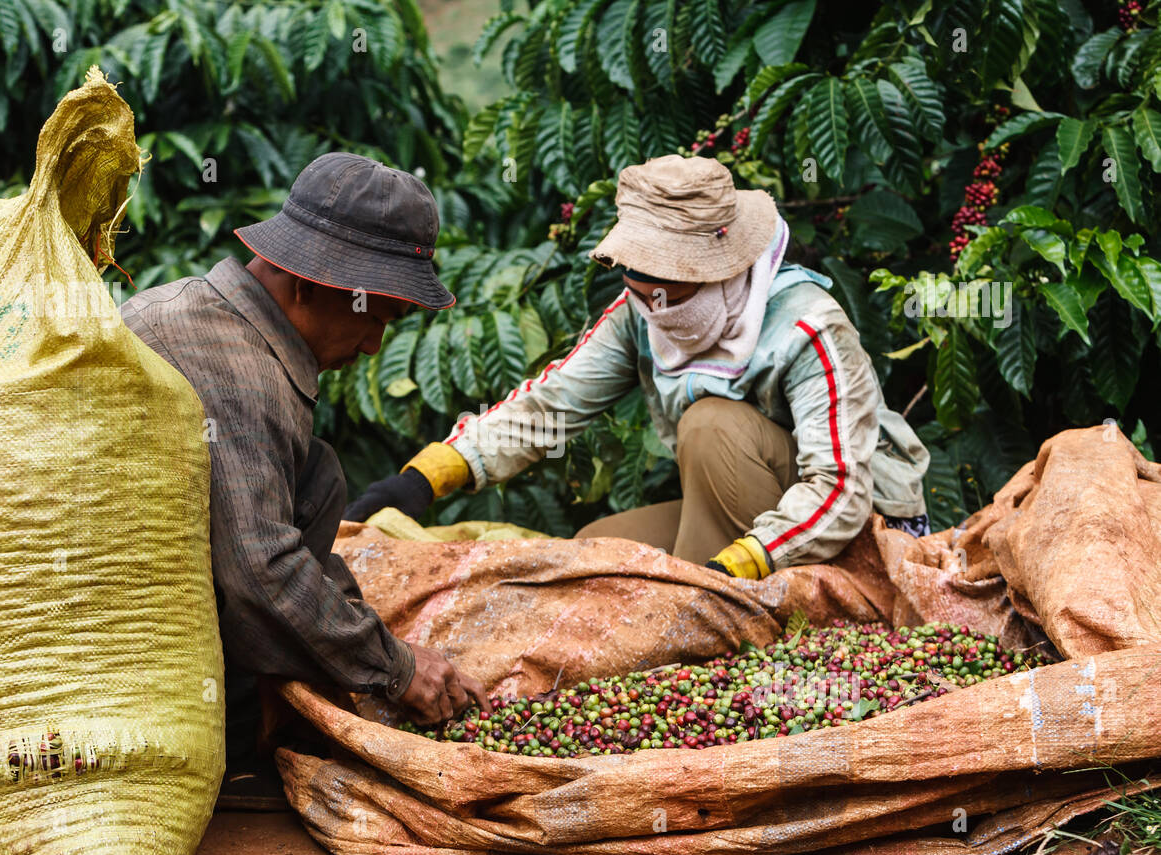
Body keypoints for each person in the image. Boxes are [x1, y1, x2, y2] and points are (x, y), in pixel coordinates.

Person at [345, 154, 932, 578]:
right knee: (598, 552)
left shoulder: (808, 325)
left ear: (716, 270)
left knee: (710, 427)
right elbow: (552, 407)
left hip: (849, 524)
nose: (652, 309)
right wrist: (426, 478)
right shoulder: (640, 315)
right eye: (640, 289)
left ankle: (716, 620)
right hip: (743, 504)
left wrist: (741, 565)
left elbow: (839, 490)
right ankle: (701, 591)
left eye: (666, 292)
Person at [121, 152, 489, 808]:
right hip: (115, 634)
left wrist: (356, 626)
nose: (376, 344)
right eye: (374, 315)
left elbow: (278, 522)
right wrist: (395, 668)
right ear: (309, 283)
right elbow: (261, 567)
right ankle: (233, 728)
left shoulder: (213, 318)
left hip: (142, 593)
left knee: (315, 474)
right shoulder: (237, 371)